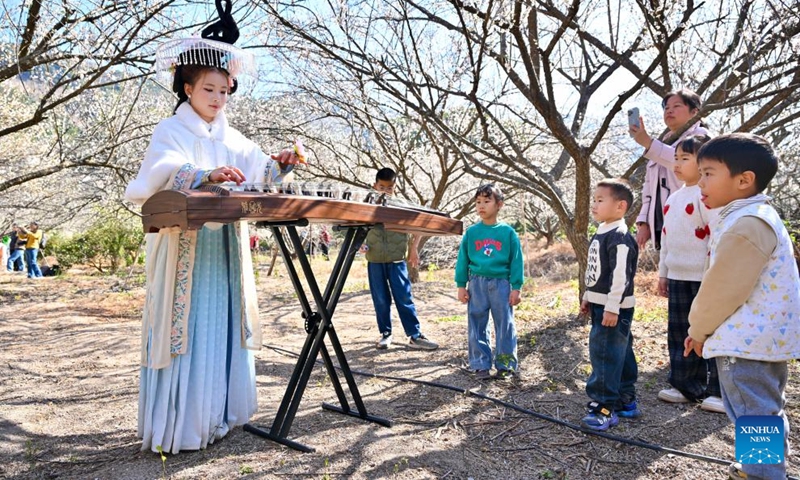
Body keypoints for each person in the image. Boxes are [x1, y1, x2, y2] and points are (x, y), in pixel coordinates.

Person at [124, 2, 302, 455]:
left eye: (225, 90)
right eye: (209, 89)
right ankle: (184, 426)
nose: (218, 98)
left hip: (223, 244)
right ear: (187, 88)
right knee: (190, 324)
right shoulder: (171, 130)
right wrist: (204, 175)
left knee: (224, 322)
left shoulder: (230, 134)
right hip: (185, 245)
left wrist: (279, 162)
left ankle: (220, 414)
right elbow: (156, 176)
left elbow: (258, 170)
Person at [684, 133, 800, 480]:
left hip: (747, 342)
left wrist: (698, 329)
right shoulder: (756, 215)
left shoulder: (746, 223)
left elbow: (722, 289)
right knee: (764, 407)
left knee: (752, 413)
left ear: (744, 180)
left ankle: (763, 473)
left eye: (708, 173)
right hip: (765, 340)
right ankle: (763, 467)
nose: (699, 181)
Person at [656, 135, 723, 413]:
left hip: (705, 278)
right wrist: (663, 272)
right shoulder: (674, 197)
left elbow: (716, 238)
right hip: (678, 275)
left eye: (686, 158)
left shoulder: (708, 197)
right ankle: (684, 384)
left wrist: (713, 273)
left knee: (710, 331)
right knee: (679, 331)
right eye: (676, 158)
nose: (678, 164)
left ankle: (718, 389)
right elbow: (666, 237)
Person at [579, 179, 639, 431]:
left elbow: (620, 276)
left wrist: (613, 307)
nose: (594, 204)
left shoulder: (620, 237)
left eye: (600, 200)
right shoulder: (603, 231)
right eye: (594, 199)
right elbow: (595, 270)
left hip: (614, 307)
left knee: (604, 352)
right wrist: (588, 295)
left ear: (620, 206)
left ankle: (604, 405)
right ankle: (626, 399)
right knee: (620, 351)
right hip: (601, 303)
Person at [455, 184, 523, 381]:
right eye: (478, 202)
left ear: (499, 204)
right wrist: (461, 285)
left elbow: (516, 261)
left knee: (505, 324)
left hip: (501, 283)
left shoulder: (508, 232)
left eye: (487, 201)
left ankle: (505, 365)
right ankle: (480, 364)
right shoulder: (472, 232)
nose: (481, 206)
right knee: (476, 323)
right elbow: (463, 260)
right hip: (476, 283)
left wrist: (516, 287)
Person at [365, 167, 438, 351]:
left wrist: (413, 249)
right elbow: (357, 227)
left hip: (397, 260)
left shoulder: (401, 205)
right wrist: (360, 244)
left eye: (389, 188)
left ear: (394, 187)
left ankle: (414, 335)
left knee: (404, 297)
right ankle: (385, 334)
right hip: (375, 260)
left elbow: (418, 227)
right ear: (375, 186)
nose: (385, 191)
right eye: (382, 187)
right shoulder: (367, 205)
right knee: (380, 299)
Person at [630, 89, 710, 251]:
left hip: (690, 216)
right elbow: (648, 188)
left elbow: (690, 166)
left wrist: (649, 143)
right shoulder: (664, 141)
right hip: (662, 218)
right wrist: (644, 222)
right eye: (666, 107)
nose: (669, 110)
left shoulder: (702, 137)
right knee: (667, 271)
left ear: (694, 112)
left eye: (677, 106)